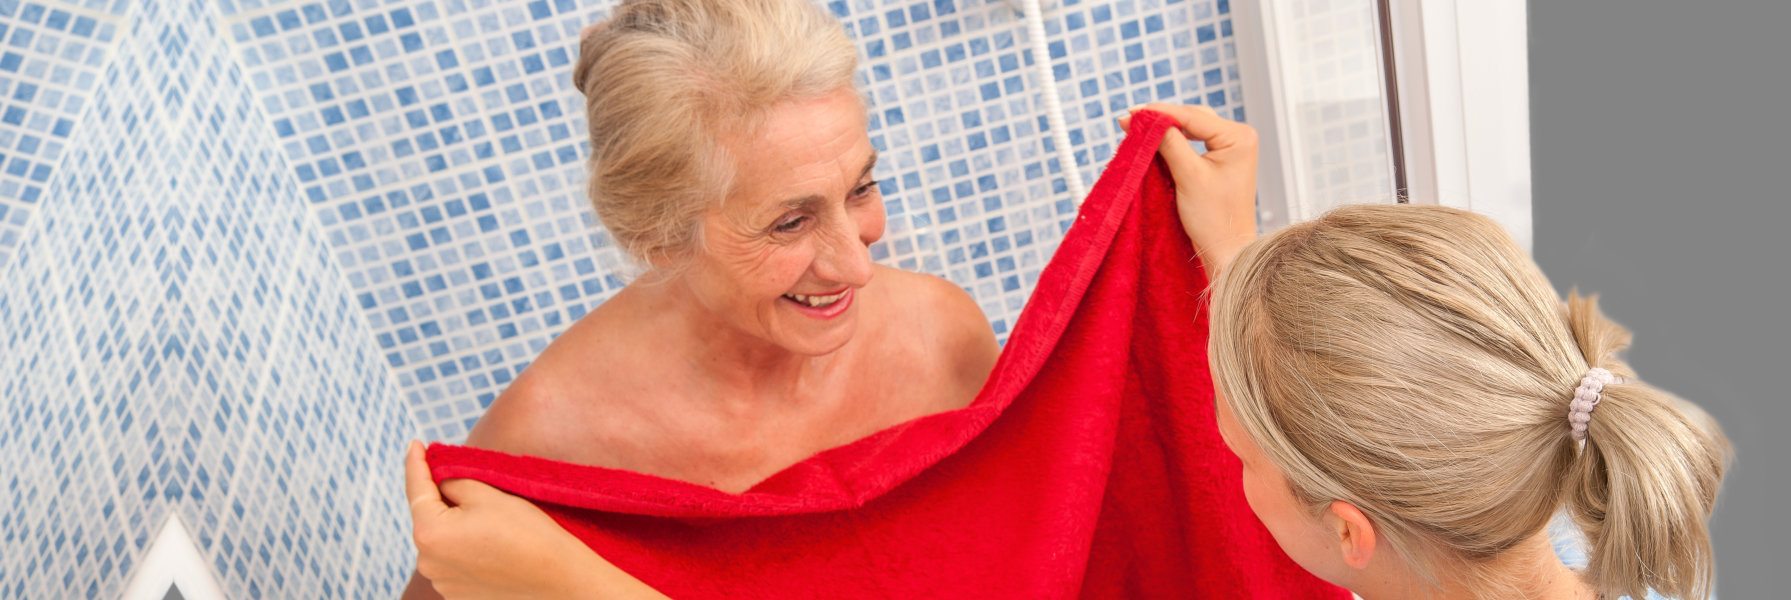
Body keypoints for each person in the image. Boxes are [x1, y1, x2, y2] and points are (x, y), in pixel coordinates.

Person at [399, 0, 1260, 596]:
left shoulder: (939, 336)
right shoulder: (550, 441)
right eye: (787, 224)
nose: (854, 265)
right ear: (657, 235)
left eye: (860, 188)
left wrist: (1221, 265)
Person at [1207, 204, 1731, 600]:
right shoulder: (1605, 536)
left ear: (1349, 531)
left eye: (1242, 456)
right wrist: (1241, 277)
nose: (1235, 469)